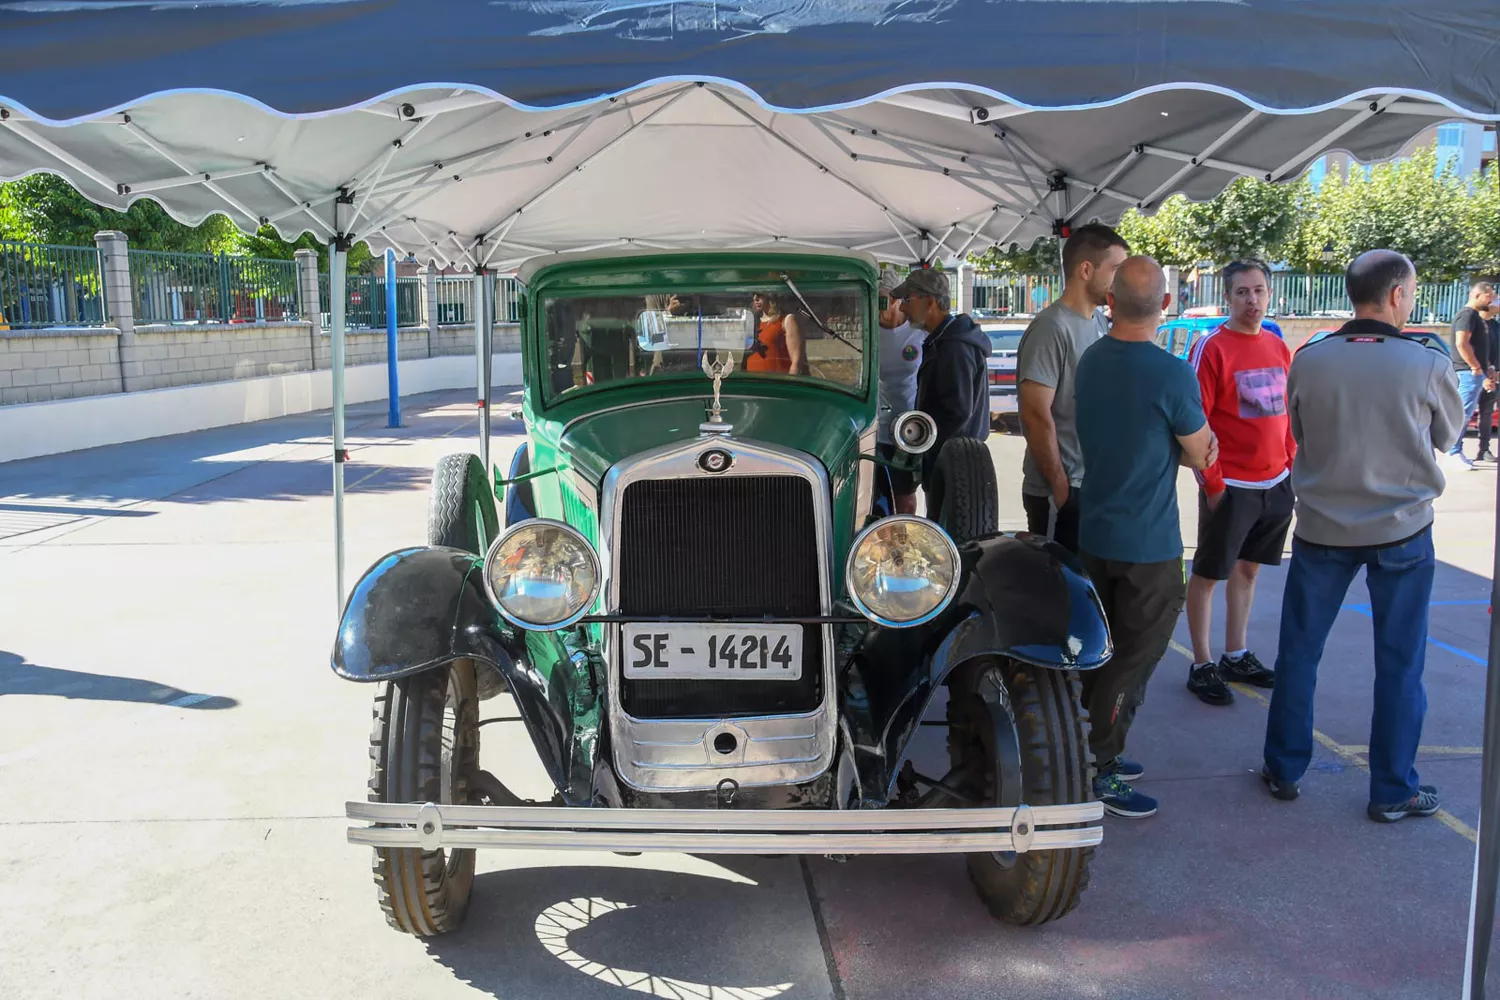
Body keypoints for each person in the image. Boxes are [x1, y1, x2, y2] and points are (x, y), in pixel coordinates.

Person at [1261, 250, 1464, 822]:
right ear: (1397, 295)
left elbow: (1299, 433)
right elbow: (1446, 437)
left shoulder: (1311, 358)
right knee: (1400, 663)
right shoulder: (1424, 362)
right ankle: (1392, 789)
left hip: (1323, 526)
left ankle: (1284, 767)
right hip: (1402, 529)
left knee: (1299, 652)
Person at [1075, 256, 1218, 819]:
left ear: (1109, 301)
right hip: (1149, 544)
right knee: (1131, 661)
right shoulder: (1170, 373)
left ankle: (1091, 747)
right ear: (1164, 305)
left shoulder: (1091, 361)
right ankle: (1100, 766)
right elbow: (1199, 448)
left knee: (1101, 652)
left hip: (1097, 532)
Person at [1182, 260, 1296, 705]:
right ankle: (1202, 662)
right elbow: (1196, 421)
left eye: (1260, 291)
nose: (1253, 300)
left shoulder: (1277, 345)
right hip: (1231, 484)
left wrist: (1290, 463)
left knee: (1248, 568)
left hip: (1277, 482)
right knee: (1210, 572)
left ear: (1270, 295)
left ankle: (1236, 652)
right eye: (1243, 292)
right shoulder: (1212, 348)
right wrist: (1212, 483)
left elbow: (1287, 411)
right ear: (1228, 297)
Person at [1016, 223, 1130, 553]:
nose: (1120, 281)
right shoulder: (1051, 328)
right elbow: (1036, 415)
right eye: (1115, 270)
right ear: (1085, 269)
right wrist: (1061, 487)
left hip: (1091, 483)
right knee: (1061, 592)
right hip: (1060, 491)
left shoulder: (1098, 321)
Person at [892, 267, 990, 509]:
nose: (902, 308)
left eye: (907, 300)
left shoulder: (954, 347)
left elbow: (957, 411)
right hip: (949, 462)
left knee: (952, 540)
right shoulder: (943, 340)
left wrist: (920, 441)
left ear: (930, 302)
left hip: (956, 465)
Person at [876, 269, 925, 514]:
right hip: (877, 428)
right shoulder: (870, 335)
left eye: (882, 298)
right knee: (876, 496)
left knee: (905, 496)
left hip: (910, 429)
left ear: (896, 299)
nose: (877, 305)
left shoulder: (919, 333)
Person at [1443, 280, 1495, 470]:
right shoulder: (1467, 315)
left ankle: (1456, 451)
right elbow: (1461, 343)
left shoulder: (1475, 316)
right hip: (1468, 372)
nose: (1492, 300)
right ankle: (1453, 452)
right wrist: (1475, 367)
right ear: (1477, 295)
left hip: (1473, 371)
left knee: (1464, 413)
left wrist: (1486, 366)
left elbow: (1479, 346)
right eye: (1489, 296)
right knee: (1462, 414)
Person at [747, 292, 806, 375]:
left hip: (776, 382)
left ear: (771, 296)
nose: (755, 299)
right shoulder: (753, 322)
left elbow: (796, 362)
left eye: (760, 295)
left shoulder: (786, 320)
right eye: (754, 295)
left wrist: (792, 383)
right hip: (751, 381)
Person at [1476, 302, 1500, 463]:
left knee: (1487, 413)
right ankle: (1455, 450)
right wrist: (1484, 375)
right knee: (1464, 413)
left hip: (1495, 375)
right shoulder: (1476, 324)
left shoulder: (1495, 325)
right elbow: (1473, 350)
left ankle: (1484, 449)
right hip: (1477, 374)